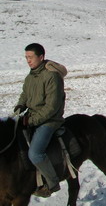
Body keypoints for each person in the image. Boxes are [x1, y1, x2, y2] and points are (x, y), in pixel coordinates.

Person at [14, 43, 66, 198]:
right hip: (31, 116)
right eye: (26, 58)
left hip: (49, 120)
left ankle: (52, 182)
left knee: (35, 154)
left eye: (30, 57)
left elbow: (52, 107)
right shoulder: (31, 75)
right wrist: (20, 105)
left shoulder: (52, 76)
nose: (28, 61)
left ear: (41, 57)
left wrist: (31, 121)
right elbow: (25, 94)